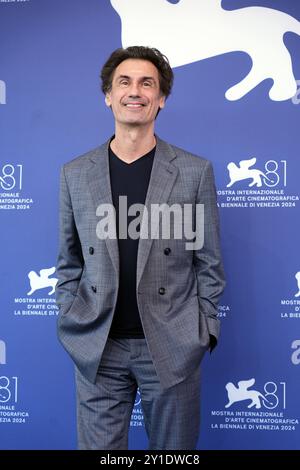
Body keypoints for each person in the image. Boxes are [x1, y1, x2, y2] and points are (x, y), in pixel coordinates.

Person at [55, 46, 225, 450]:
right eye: (124, 82)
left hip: (171, 345)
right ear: (108, 96)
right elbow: (68, 261)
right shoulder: (75, 173)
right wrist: (71, 319)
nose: (136, 91)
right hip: (98, 345)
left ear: (161, 98)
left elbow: (210, 262)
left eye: (147, 83)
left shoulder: (193, 171)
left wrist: (202, 333)